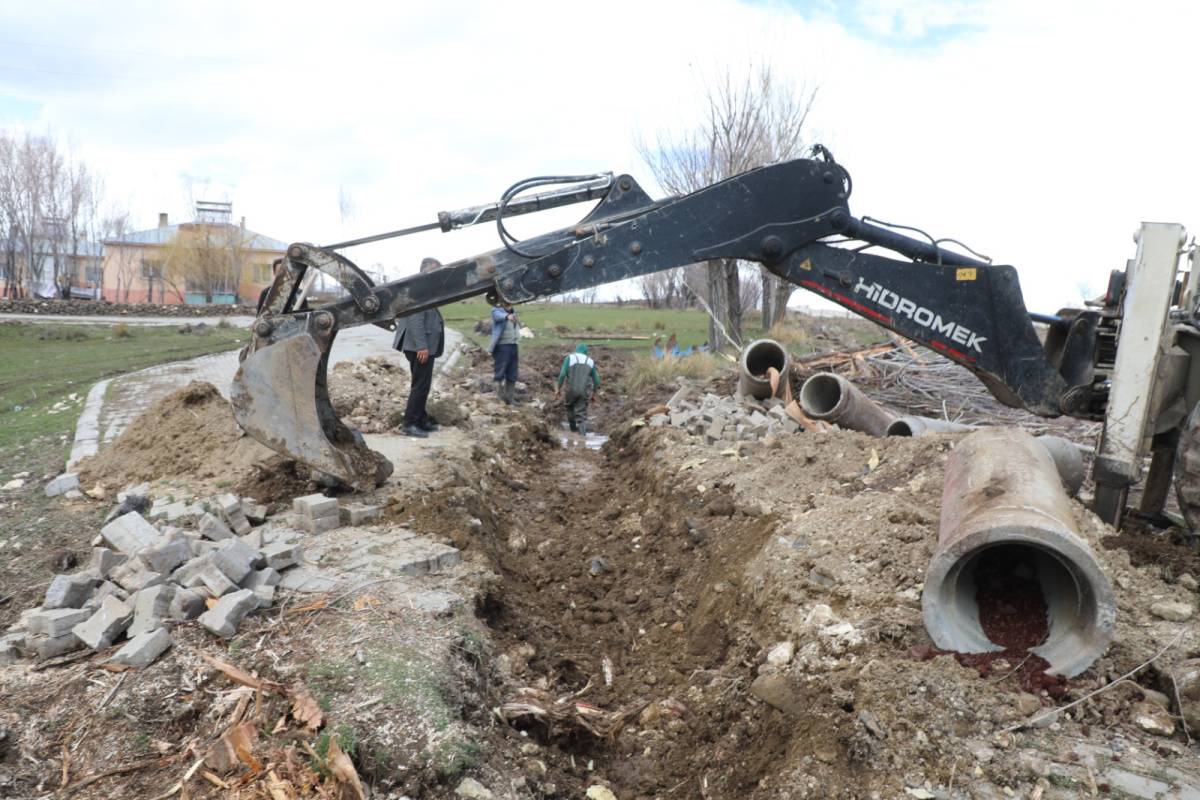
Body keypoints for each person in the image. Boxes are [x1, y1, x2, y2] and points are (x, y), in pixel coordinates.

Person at [392, 257, 445, 438]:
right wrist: (422, 346)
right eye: (435, 270)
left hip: (423, 347)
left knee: (423, 385)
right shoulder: (419, 289)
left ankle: (421, 419)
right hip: (419, 348)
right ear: (425, 270)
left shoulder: (425, 290)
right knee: (420, 386)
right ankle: (410, 424)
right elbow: (416, 320)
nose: (437, 275)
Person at [554, 343, 601, 435]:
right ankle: (582, 438)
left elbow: (562, 375)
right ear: (586, 352)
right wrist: (594, 394)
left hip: (570, 391)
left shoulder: (569, 358)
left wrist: (558, 389)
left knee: (570, 409)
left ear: (576, 350)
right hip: (584, 392)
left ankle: (572, 432)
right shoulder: (590, 361)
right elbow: (597, 381)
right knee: (582, 415)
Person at [488, 302, 520, 405]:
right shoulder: (496, 310)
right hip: (502, 346)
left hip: (514, 345)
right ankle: (499, 399)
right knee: (500, 371)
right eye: (507, 303)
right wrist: (507, 316)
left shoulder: (514, 312)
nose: (509, 305)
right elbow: (498, 316)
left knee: (512, 373)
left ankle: (509, 398)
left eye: (510, 304)